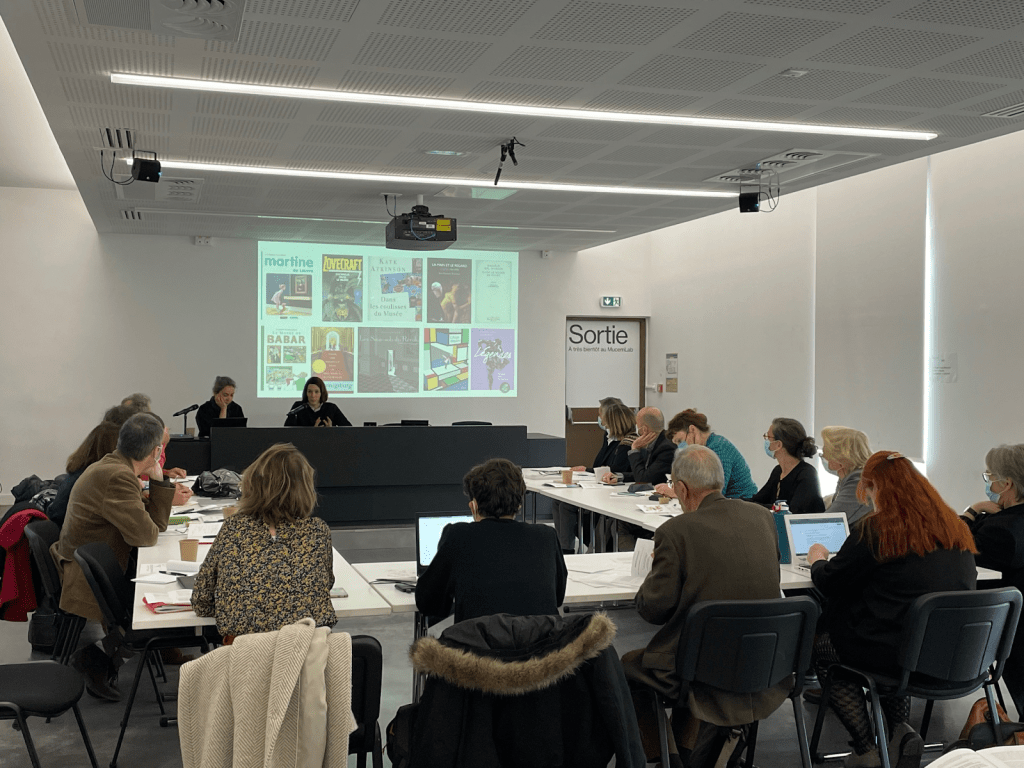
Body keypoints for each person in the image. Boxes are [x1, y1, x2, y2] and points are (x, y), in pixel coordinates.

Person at [807, 451, 977, 768]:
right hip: (954, 657)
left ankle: (866, 750)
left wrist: (817, 559)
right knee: (898, 640)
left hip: (898, 655)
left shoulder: (877, 530)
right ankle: (899, 734)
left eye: (868, 492)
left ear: (876, 488)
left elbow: (831, 582)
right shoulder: (955, 527)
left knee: (824, 646)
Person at [621, 445, 784, 763]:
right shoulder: (763, 518)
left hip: (700, 666)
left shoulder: (675, 531)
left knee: (628, 667)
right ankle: (694, 748)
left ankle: (666, 755)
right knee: (699, 661)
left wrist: (658, 572)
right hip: (763, 660)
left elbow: (654, 609)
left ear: (680, 489)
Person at [50, 413, 176, 700]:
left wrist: (156, 481)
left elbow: (152, 528)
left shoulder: (113, 467)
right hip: (88, 576)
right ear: (156, 451)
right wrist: (158, 483)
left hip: (96, 564)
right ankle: (95, 659)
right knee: (158, 602)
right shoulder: (117, 477)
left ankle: (109, 657)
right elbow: (147, 535)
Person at [191, 444, 336, 639]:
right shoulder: (318, 532)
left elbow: (202, 601)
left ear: (253, 484)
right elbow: (324, 586)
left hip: (246, 660)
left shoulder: (234, 528)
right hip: (305, 656)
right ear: (306, 488)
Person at [416, 458, 567, 623]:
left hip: (477, 645)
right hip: (541, 645)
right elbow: (557, 597)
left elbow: (429, 603)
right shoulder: (546, 536)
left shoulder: (458, 535)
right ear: (519, 505)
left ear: (473, 505)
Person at [962, 443, 1024, 715]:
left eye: (990, 477)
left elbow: (955, 547)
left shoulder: (999, 530)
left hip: (1008, 632)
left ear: (1007, 483)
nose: (989, 483)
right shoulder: (1002, 524)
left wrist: (972, 510)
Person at [553, 399, 635, 553]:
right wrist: (587, 470)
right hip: (599, 487)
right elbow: (600, 466)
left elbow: (613, 471)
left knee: (566, 505)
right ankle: (562, 546)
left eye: (601, 415)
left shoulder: (627, 443)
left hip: (610, 493)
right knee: (559, 501)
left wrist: (589, 470)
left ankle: (567, 550)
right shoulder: (609, 439)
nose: (600, 419)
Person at [654, 409, 757, 500]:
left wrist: (677, 493)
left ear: (692, 430)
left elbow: (715, 493)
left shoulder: (718, 448)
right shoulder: (704, 450)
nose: (680, 447)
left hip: (741, 503)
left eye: (680, 441)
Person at [750, 417, 825, 515]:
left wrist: (771, 507)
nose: (766, 440)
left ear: (778, 445)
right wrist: (732, 502)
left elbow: (793, 512)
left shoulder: (807, 474)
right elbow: (758, 501)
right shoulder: (778, 471)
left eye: (768, 437)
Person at [819, 426, 872, 525]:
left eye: (825, 450)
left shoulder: (858, 481)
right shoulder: (847, 476)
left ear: (840, 457)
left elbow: (830, 520)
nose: (823, 454)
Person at [284, 376, 352, 427]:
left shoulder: (331, 408)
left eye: (316, 392)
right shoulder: (298, 407)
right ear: (306, 393)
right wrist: (312, 432)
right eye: (309, 391)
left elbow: (349, 430)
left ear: (321, 393)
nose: (313, 395)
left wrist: (332, 431)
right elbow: (287, 432)